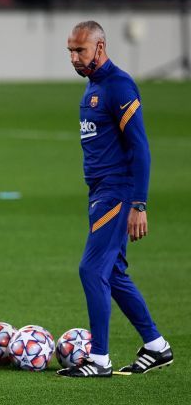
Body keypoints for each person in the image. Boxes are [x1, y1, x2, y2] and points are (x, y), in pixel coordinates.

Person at [57, 21, 173, 378]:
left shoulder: (119, 85)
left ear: (101, 46)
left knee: (91, 269)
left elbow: (140, 148)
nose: (75, 58)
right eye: (71, 51)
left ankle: (100, 359)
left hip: (118, 192)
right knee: (115, 273)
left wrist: (139, 204)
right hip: (101, 192)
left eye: (81, 51)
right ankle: (156, 346)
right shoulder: (95, 86)